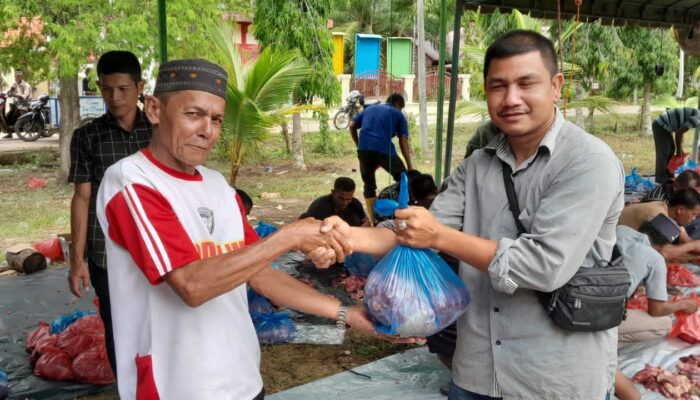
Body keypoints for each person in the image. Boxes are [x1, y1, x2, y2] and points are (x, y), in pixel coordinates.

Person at [315, 30, 624, 399]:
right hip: (478, 370)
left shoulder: (589, 162)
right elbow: (416, 230)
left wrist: (439, 237)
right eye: (498, 86)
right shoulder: (478, 165)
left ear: (556, 86)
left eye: (527, 83)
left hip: (553, 377)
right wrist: (345, 235)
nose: (511, 99)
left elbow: (544, 266)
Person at [95, 59, 403, 399]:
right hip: (176, 385)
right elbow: (192, 285)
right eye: (193, 114)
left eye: (215, 120)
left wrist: (347, 314)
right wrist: (288, 237)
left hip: (240, 378)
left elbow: (261, 276)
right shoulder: (131, 182)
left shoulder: (218, 188)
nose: (206, 131)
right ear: (154, 109)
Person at [67, 50, 152, 374]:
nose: (114, 98)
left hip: (155, 247)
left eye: (122, 89)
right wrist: (77, 261)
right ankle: (129, 390)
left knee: (163, 321)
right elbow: (82, 198)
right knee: (118, 328)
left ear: (139, 86)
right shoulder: (87, 137)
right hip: (107, 253)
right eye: (106, 89)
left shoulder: (159, 130)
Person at [612, 225, 699, 400]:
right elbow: (657, 310)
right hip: (597, 318)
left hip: (572, 303)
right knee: (664, 323)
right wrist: (683, 304)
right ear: (666, 246)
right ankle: (609, 339)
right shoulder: (654, 257)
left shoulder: (621, 230)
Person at [349, 92, 412, 224]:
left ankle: (374, 221)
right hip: (383, 149)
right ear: (398, 105)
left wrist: (358, 143)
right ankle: (404, 216)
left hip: (364, 150)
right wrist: (409, 166)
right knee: (403, 178)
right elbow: (403, 141)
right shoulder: (398, 113)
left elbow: (352, 125)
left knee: (369, 185)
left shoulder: (369, 109)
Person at [619, 188, 700, 237]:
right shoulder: (657, 215)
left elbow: (685, 241)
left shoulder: (664, 208)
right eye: (694, 215)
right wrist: (693, 245)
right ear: (681, 209)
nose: (694, 219)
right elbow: (663, 251)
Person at [652, 107, 700, 183]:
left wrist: (679, 147)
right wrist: (679, 149)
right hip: (660, 124)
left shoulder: (698, 116)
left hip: (666, 126)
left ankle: (668, 174)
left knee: (671, 149)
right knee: (665, 151)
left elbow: (681, 131)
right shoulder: (697, 119)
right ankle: (661, 178)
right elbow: (679, 133)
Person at [300, 177, 369, 227]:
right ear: (333, 193)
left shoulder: (355, 203)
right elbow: (305, 225)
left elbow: (366, 221)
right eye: (341, 198)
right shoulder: (320, 206)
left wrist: (356, 234)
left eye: (348, 199)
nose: (345, 203)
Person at [3, 69, 32, 139]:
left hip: (25, 104)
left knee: (23, 115)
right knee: (8, 116)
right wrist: (9, 92)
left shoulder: (26, 85)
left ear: (22, 76)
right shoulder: (15, 84)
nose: (17, 77)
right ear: (14, 76)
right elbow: (9, 93)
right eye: (16, 76)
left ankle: (30, 132)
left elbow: (24, 97)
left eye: (19, 76)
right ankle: (9, 133)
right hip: (17, 104)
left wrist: (14, 94)